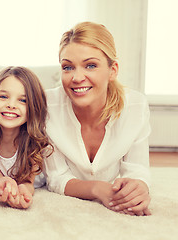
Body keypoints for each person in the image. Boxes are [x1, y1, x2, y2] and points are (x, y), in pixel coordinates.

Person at [44, 21, 151, 216]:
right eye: (67, 67)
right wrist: (98, 189)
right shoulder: (47, 106)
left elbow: (137, 169)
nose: (77, 78)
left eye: (90, 65)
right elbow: (56, 177)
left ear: (113, 70)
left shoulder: (135, 106)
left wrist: (138, 188)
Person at [0, 66, 52, 209]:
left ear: (34, 107)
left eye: (23, 100)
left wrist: (23, 192)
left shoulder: (36, 138)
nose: (11, 105)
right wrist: (5, 189)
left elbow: (28, 182)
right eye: (3, 97)